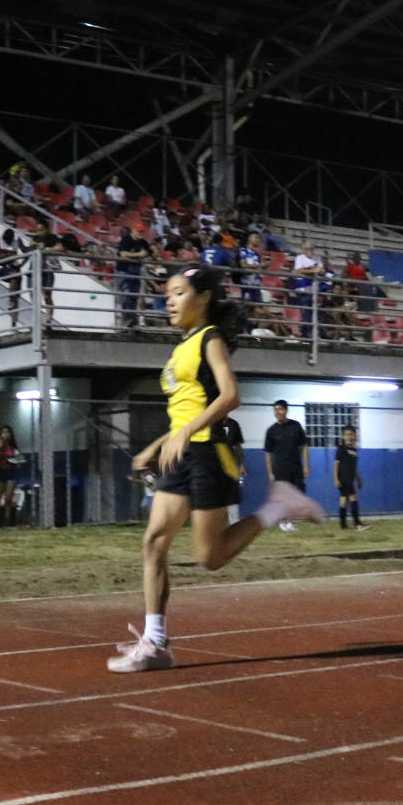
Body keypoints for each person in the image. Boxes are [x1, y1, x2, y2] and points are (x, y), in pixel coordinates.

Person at [108, 266, 323, 673]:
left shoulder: (210, 339)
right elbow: (182, 412)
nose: (168, 300)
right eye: (166, 294)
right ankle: (156, 644)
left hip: (209, 455)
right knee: (154, 542)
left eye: (177, 292)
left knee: (210, 557)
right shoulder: (180, 347)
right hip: (181, 455)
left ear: (202, 297)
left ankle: (276, 507)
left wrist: (186, 432)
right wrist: (155, 447)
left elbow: (230, 396)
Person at [263, 400, 310, 533]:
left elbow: (304, 446)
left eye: (281, 409)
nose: (278, 412)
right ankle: (284, 522)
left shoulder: (296, 426)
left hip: (296, 467)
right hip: (280, 468)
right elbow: (268, 454)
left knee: (298, 494)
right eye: (276, 410)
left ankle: (289, 520)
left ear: (286, 410)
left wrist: (306, 466)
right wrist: (270, 472)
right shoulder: (271, 431)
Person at [0, 425, 23, 528]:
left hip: (10, 473)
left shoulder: (13, 449)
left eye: (7, 432)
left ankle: (8, 523)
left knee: (8, 498)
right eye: (3, 432)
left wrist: (10, 461)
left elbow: (20, 461)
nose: (5, 434)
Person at [334, 424, 366, 530]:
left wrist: (358, 479)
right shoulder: (341, 448)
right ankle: (357, 524)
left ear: (355, 436)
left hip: (351, 479)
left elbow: (354, 467)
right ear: (343, 436)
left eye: (351, 435)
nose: (349, 437)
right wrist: (336, 479)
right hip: (344, 479)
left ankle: (343, 524)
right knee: (353, 498)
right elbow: (336, 464)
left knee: (343, 500)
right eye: (346, 435)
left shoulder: (354, 450)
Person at [220, 415, 247, 524]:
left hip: (230, 464)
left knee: (232, 492)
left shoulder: (233, 424)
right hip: (213, 463)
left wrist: (241, 464)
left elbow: (238, 446)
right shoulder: (211, 422)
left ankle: (234, 522)